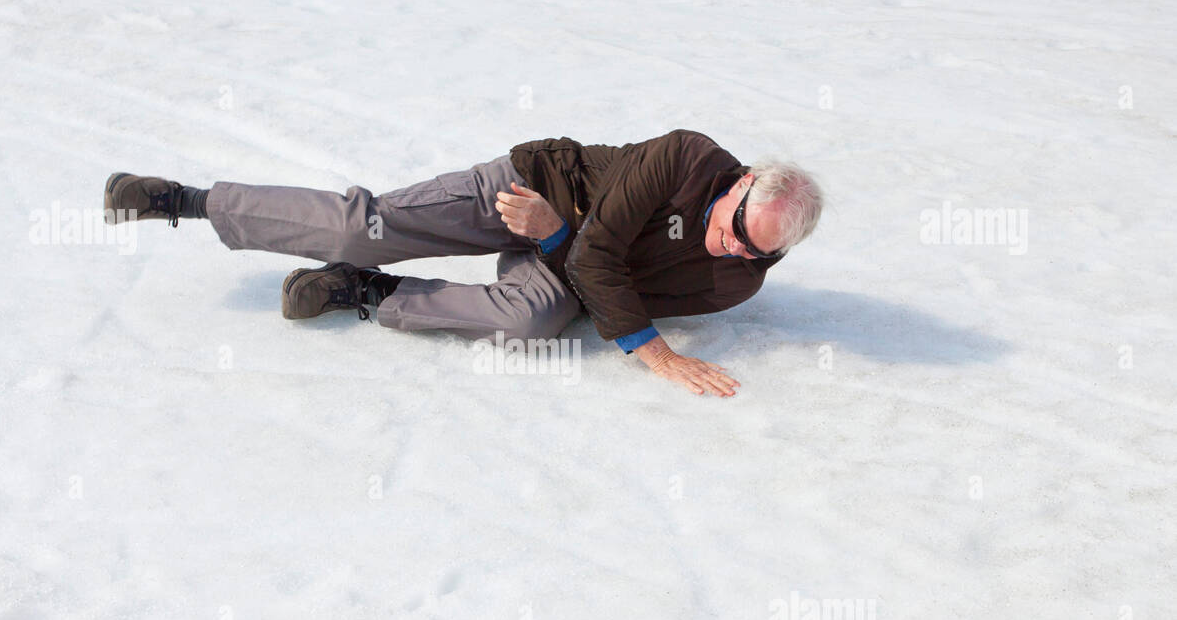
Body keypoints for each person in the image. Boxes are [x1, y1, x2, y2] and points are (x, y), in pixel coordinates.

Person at [103, 128, 822, 396]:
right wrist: (655, 354)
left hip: (553, 246)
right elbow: (604, 262)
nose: (731, 248)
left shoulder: (733, 280)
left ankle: (365, 293)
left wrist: (550, 244)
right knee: (364, 226)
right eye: (734, 228)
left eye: (757, 251)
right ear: (740, 182)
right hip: (523, 190)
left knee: (536, 319)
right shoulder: (686, 156)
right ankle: (187, 199)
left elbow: (599, 285)